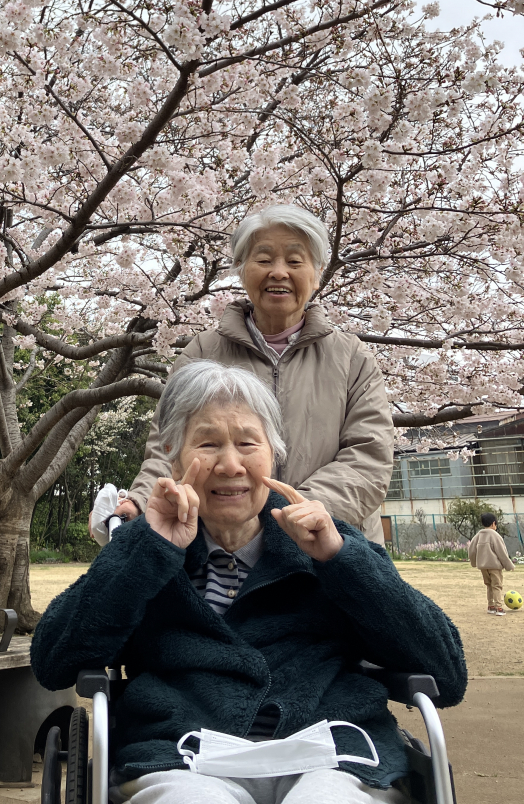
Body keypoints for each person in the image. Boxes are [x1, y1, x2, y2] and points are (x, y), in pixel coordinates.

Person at [33, 362, 465, 804]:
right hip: (181, 757)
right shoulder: (146, 547)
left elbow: (446, 675)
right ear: (172, 454)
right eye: (207, 443)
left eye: (247, 443)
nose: (230, 465)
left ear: (273, 452)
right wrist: (148, 550)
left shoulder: (328, 543)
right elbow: (54, 661)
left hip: (332, 755)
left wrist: (341, 560)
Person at [112, 205, 394, 543]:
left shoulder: (352, 358)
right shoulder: (202, 351)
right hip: (224, 546)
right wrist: (139, 501)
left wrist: (293, 514)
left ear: (318, 273)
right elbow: (168, 446)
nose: (279, 272)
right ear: (241, 270)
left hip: (328, 541)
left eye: (294, 261)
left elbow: (369, 456)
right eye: (263, 259)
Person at [467, 512, 513, 616]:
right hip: (494, 566)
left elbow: (471, 551)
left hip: (483, 567)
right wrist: (509, 565)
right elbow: (502, 552)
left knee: (489, 585)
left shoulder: (478, 535)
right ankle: (498, 607)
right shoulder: (495, 535)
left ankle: (491, 606)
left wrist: (474, 563)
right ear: (493, 523)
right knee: (497, 586)